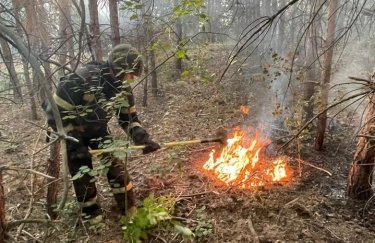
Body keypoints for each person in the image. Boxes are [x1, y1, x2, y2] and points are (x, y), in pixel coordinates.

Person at [42, 44, 160, 225]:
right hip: (73, 133)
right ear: (117, 69)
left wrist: (141, 137)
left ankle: (129, 210)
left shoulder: (122, 88)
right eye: (130, 74)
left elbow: (128, 118)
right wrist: (75, 143)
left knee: (117, 169)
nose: (130, 79)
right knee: (83, 176)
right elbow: (54, 115)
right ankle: (93, 220)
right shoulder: (82, 79)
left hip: (99, 131)